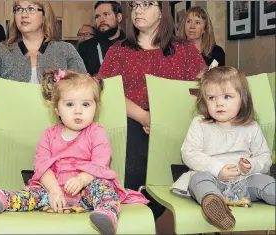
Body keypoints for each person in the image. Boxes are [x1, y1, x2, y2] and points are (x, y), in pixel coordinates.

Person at [0, 69, 149, 235]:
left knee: (103, 187)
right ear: (57, 110)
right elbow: (42, 166)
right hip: (55, 193)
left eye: (86, 104)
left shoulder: (96, 132)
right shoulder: (49, 135)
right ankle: (4, 198)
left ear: (96, 107)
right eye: (70, 104)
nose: (78, 111)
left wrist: (82, 179)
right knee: (34, 194)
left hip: (87, 191)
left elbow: (101, 162)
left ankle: (107, 214)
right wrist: (54, 190)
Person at [98, 1, 207, 219]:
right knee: (132, 145)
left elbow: (199, 92)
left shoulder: (184, 50)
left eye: (146, 4)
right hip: (132, 119)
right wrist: (145, 117)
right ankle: (135, 215)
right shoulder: (119, 51)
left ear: (161, 12)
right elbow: (108, 93)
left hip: (175, 123)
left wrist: (164, 121)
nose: (138, 10)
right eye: (135, 5)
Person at [0, 1, 86, 156]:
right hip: (9, 129)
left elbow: (84, 88)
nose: (24, 14)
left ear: (44, 15)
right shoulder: (1, 51)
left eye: (31, 9)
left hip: (56, 129)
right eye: (18, 9)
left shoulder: (65, 50)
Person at [181, 66, 275, 230]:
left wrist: (252, 165)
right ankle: (215, 206)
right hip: (212, 180)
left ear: (243, 99)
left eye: (227, 96)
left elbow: (265, 158)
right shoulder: (200, 124)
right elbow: (188, 154)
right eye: (211, 98)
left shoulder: (251, 127)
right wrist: (218, 169)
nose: (219, 103)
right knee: (198, 179)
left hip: (245, 183)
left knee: (266, 182)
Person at [78, 1, 125, 76]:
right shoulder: (85, 47)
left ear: (118, 17)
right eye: (97, 16)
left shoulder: (131, 45)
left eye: (106, 14)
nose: (101, 20)